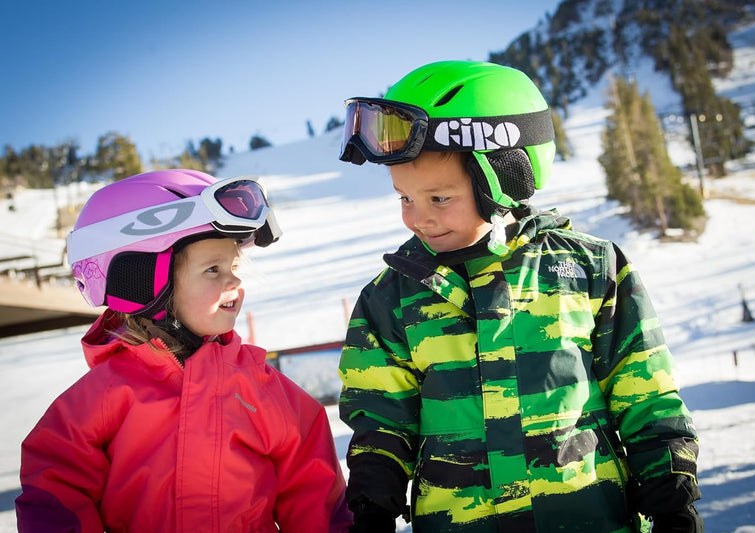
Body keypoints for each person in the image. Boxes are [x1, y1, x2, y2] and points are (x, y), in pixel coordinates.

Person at [337, 61, 703, 532]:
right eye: (404, 198)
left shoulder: (589, 269)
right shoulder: (390, 299)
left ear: (506, 176)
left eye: (439, 198)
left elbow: (646, 395)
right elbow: (381, 421)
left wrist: (673, 503)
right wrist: (373, 507)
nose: (418, 218)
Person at [16, 169, 352, 532]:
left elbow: (317, 496)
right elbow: (56, 491)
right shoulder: (103, 397)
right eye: (213, 269)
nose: (235, 280)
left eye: (235, 266)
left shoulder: (265, 391)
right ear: (144, 280)